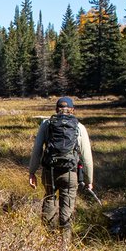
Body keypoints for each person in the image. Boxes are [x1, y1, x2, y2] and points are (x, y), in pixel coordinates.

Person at [28, 97, 94, 235]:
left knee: (50, 199)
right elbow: (86, 157)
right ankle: (64, 246)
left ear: (56, 109)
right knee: (67, 209)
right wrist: (89, 181)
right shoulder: (79, 127)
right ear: (73, 110)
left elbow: (37, 149)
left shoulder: (46, 124)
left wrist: (32, 172)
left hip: (49, 172)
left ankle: (49, 240)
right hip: (70, 173)